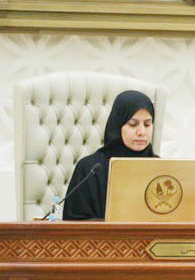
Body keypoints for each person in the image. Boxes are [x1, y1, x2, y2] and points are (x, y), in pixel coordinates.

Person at [61, 90, 157, 220]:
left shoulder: (159, 167)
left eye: (147, 124)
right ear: (117, 125)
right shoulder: (90, 168)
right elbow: (74, 225)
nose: (141, 132)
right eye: (133, 124)